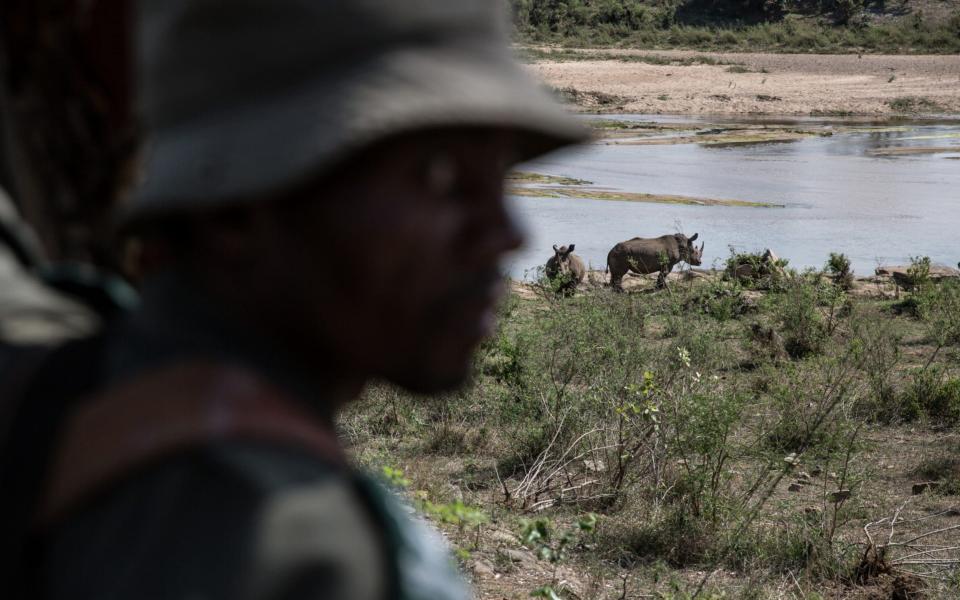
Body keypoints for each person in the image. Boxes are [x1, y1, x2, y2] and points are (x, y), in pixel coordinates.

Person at [32, 1, 586, 598]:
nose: (508, 233)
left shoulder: (57, 389)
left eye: (500, 173)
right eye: (442, 176)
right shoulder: (298, 553)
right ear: (236, 212)